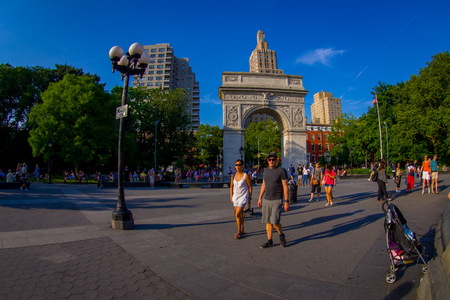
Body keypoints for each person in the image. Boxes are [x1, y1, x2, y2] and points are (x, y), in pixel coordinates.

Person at [258, 153, 289, 249]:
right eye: (269, 159)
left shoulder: (281, 170)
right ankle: (269, 240)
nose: (271, 161)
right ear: (267, 160)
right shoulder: (265, 171)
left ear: (276, 160)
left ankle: (281, 235)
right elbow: (263, 184)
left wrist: (286, 201)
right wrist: (260, 197)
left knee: (275, 221)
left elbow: (285, 186)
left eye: (273, 159)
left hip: (277, 199)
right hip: (266, 199)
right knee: (268, 221)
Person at [230, 159, 252, 239]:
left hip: (243, 197)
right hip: (236, 197)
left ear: (242, 166)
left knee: (237, 213)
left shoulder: (245, 176)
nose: (237, 166)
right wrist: (231, 195)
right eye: (236, 165)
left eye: (239, 165)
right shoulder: (233, 175)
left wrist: (249, 198)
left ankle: (239, 231)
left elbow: (250, 187)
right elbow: (231, 186)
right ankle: (242, 229)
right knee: (240, 214)